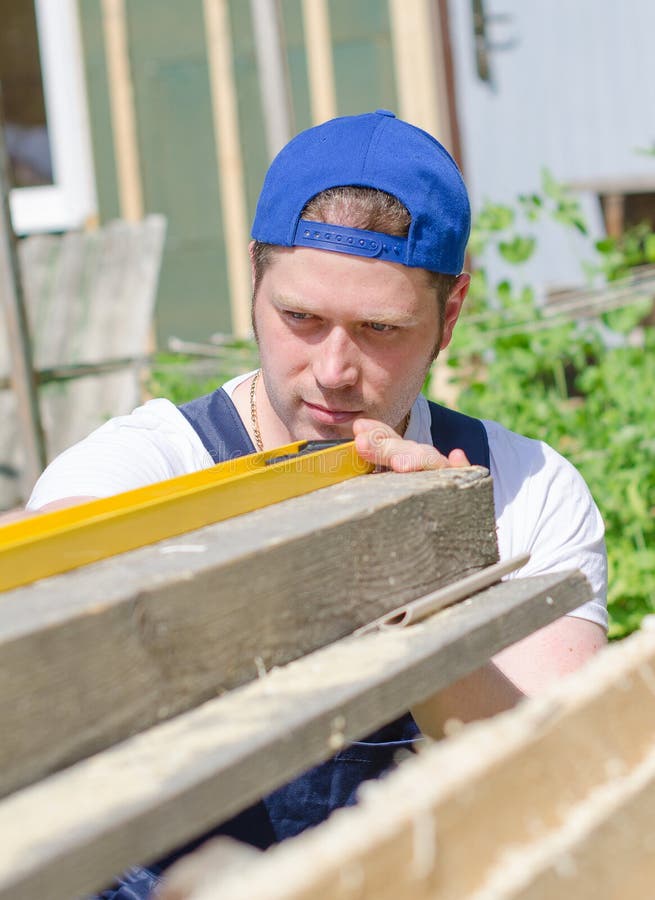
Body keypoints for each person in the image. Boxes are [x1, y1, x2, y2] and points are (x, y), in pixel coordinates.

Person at [24, 110, 607, 897]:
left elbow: (560, 782)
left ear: (451, 313)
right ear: (253, 282)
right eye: (300, 318)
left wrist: (422, 558)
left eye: (379, 328)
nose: (333, 370)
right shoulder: (143, 468)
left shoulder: (525, 487)